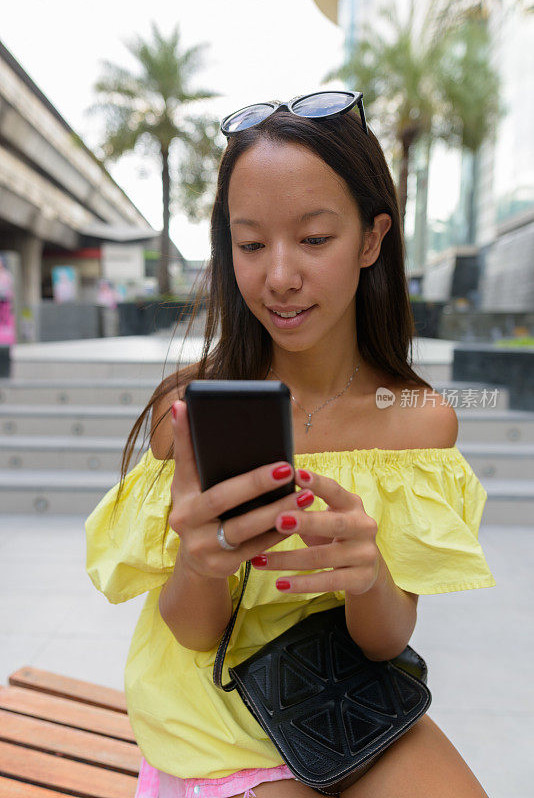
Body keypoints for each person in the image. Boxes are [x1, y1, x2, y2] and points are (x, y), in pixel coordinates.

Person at [85, 91, 496, 798]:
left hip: (345, 700)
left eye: (313, 239)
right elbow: (189, 634)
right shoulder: (187, 413)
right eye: (251, 244)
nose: (278, 276)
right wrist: (203, 560)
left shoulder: (420, 422)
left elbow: (386, 641)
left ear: (372, 239)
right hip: (208, 711)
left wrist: (367, 576)